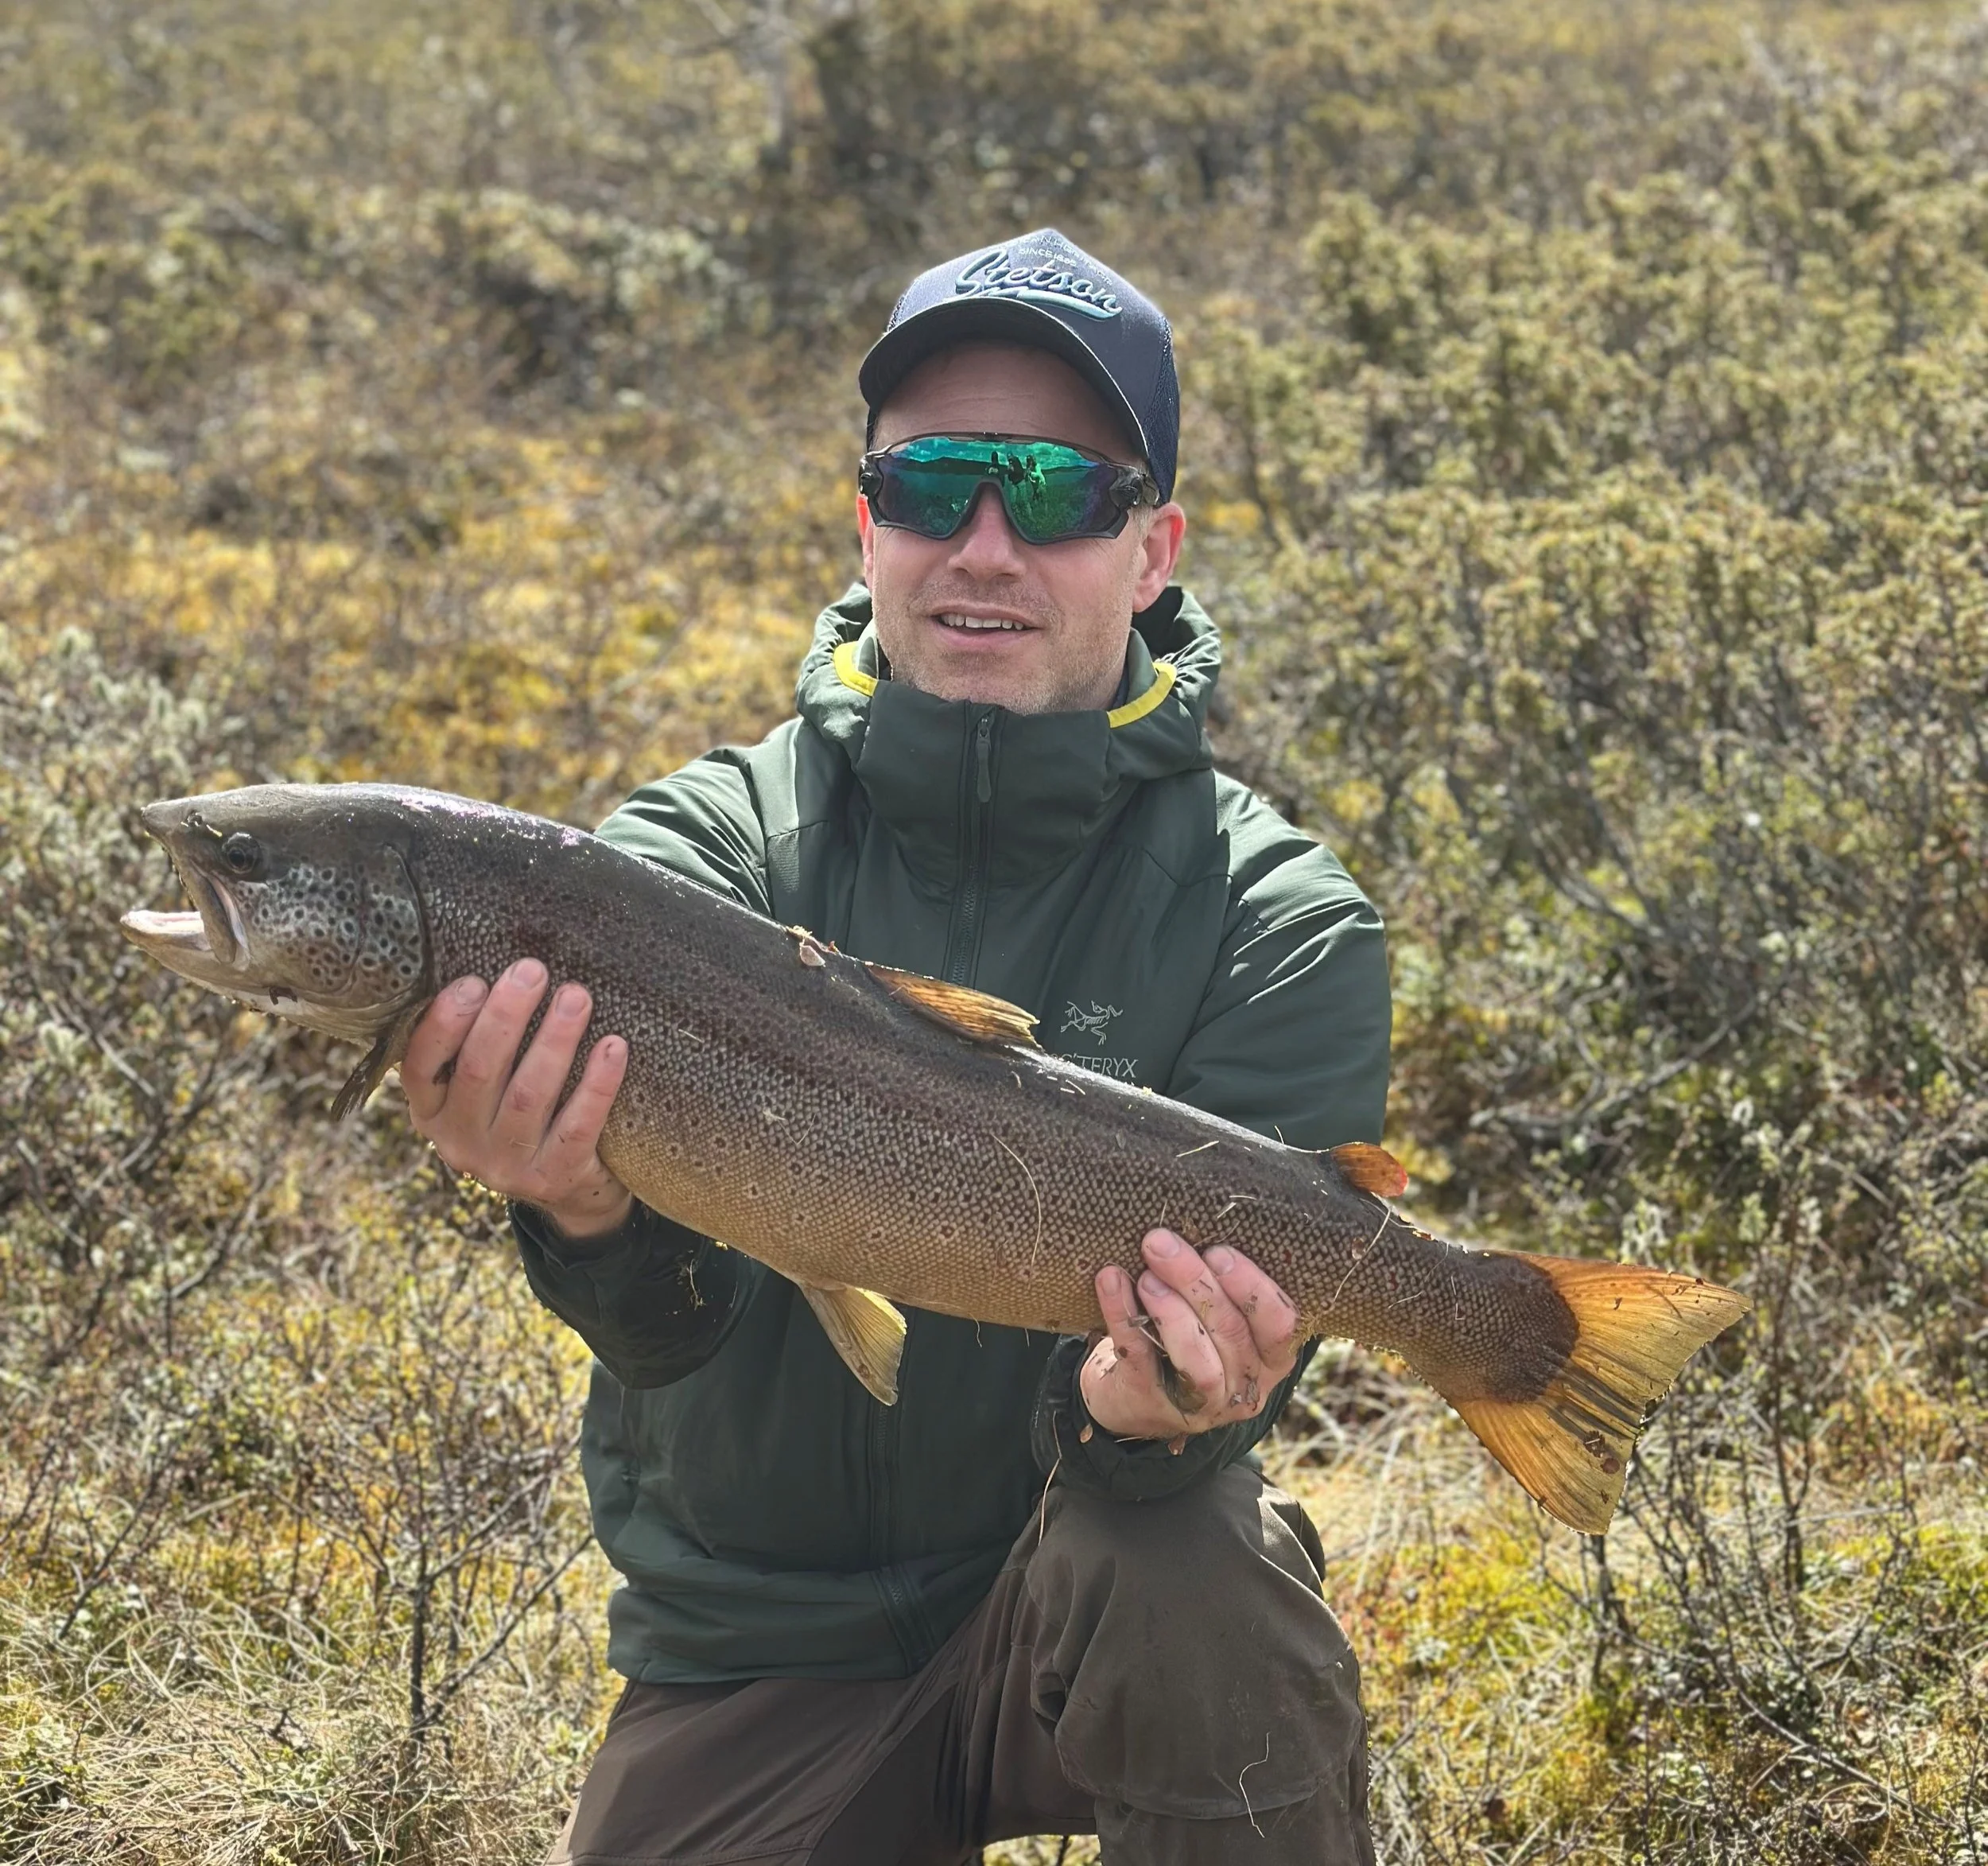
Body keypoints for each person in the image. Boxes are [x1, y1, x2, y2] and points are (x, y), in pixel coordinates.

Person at [399, 229, 1392, 1865]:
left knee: (1199, 1559)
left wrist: (1145, 1413)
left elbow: (1198, 1425)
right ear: (867, 526)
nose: (983, 545)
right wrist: (575, 1209)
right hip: (757, 1645)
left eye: (1056, 494)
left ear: (1154, 550)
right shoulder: (680, 866)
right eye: (932, 485)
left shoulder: (1271, 916)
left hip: (1093, 1569)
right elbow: (661, 1338)